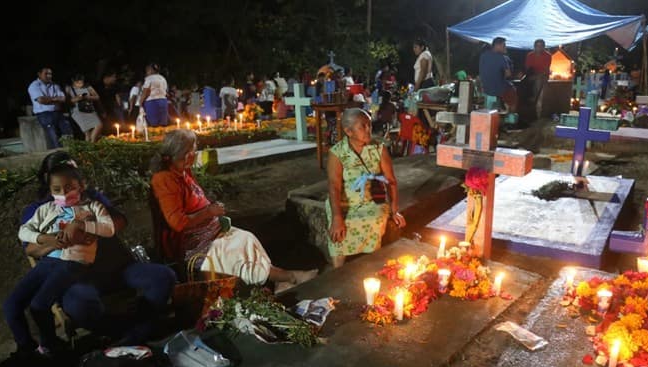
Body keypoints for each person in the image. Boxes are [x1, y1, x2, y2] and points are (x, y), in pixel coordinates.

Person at [21, 152, 176, 346]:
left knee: (163, 277)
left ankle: (138, 331)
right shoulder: (39, 209)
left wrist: (90, 225)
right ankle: (122, 331)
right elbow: (31, 249)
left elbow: (120, 221)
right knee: (79, 304)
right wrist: (58, 239)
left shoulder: (91, 197)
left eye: (73, 175)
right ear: (48, 179)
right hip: (77, 277)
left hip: (117, 268)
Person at [150, 130, 318, 292]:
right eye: (191, 150)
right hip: (194, 245)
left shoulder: (183, 171)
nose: (195, 154)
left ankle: (280, 280)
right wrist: (209, 212)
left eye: (194, 149)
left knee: (247, 239)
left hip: (211, 232)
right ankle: (289, 277)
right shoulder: (164, 179)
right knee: (237, 254)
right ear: (181, 153)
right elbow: (178, 223)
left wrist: (212, 211)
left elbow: (195, 200)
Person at [5, 159, 115, 356]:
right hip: (48, 261)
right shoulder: (46, 210)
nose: (64, 194)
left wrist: (82, 225)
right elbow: (24, 232)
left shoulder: (92, 208)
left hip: (73, 264)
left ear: (81, 185)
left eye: (69, 187)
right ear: (50, 190)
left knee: (39, 304)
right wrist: (45, 238)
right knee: (12, 304)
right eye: (57, 189)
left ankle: (50, 346)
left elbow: (109, 229)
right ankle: (26, 349)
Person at [326, 108, 406, 268]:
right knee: (338, 231)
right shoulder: (337, 153)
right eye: (363, 126)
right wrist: (337, 217)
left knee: (375, 218)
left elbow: (391, 181)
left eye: (369, 125)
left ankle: (372, 265)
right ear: (349, 131)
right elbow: (334, 186)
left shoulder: (379, 149)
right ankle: (337, 272)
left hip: (371, 201)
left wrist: (394, 209)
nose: (369, 129)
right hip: (343, 202)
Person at [27, 67, 72, 149]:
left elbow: (63, 98)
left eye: (50, 74)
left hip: (57, 112)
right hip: (44, 114)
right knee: (54, 137)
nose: (49, 76)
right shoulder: (34, 85)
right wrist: (56, 99)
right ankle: (58, 156)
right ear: (39, 74)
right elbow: (41, 100)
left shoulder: (55, 85)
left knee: (68, 133)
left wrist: (49, 99)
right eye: (46, 74)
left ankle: (70, 153)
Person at [479, 37, 517, 113]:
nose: (505, 47)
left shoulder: (483, 56)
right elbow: (508, 74)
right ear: (497, 45)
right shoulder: (502, 58)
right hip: (498, 89)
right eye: (504, 46)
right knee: (513, 91)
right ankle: (511, 116)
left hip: (485, 88)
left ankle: (501, 107)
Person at [66, 74, 102, 142]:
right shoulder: (69, 88)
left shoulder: (88, 87)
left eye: (81, 82)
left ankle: (92, 143)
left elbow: (97, 97)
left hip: (89, 109)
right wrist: (78, 98)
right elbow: (68, 101)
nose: (80, 84)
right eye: (78, 82)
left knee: (99, 125)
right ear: (73, 81)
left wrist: (88, 97)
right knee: (87, 131)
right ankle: (90, 146)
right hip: (78, 111)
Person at [524, 39, 551, 119]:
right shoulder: (530, 55)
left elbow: (545, 70)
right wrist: (530, 76)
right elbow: (527, 69)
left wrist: (536, 77)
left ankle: (534, 99)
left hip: (543, 76)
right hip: (532, 75)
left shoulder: (548, 56)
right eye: (537, 46)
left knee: (538, 81)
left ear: (543, 47)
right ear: (534, 47)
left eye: (541, 46)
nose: (539, 48)